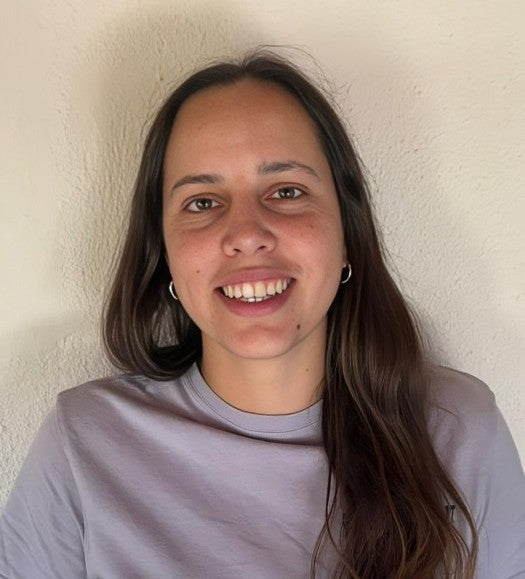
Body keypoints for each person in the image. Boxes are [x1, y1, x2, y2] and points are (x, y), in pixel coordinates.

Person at [1, 50, 524, 579]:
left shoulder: (461, 430)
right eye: (203, 202)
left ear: (348, 235)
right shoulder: (82, 445)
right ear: (165, 254)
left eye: (287, 192)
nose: (247, 234)